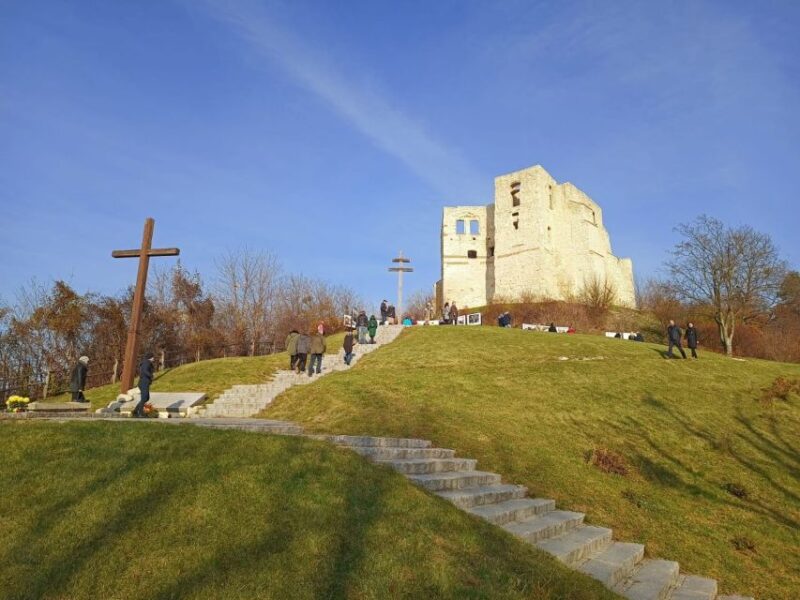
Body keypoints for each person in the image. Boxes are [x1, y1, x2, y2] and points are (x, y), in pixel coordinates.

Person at [133, 352, 155, 418]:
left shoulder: (146, 363)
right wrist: (151, 375)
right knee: (144, 397)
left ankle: (136, 411)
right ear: (150, 357)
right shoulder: (147, 363)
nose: (154, 358)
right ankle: (140, 413)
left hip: (144, 382)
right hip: (144, 382)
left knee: (146, 398)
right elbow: (145, 371)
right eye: (153, 357)